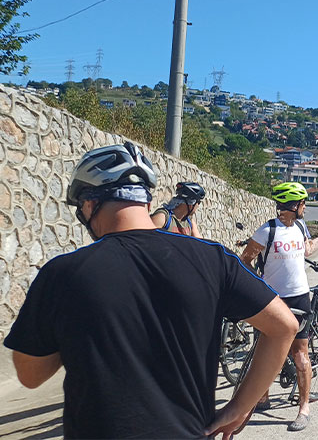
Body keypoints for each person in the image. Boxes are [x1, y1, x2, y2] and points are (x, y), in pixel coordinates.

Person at [3, 142, 298, 439]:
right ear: (145, 200)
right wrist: (239, 407)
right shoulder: (214, 259)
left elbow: (30, 376)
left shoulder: (63, 273)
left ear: (90, 204)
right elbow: (284, 327)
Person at [238, 182, 318, 432]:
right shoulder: (266, 231)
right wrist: (258, 283)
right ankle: (262, 397)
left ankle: (304, 408)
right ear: (294, 205)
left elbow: (307, 249)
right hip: (273, 300)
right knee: (264, 348)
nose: (305, 207)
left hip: (299, 298)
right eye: (303, 203)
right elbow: (244, 260)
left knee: (299, 354)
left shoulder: (300, 226)